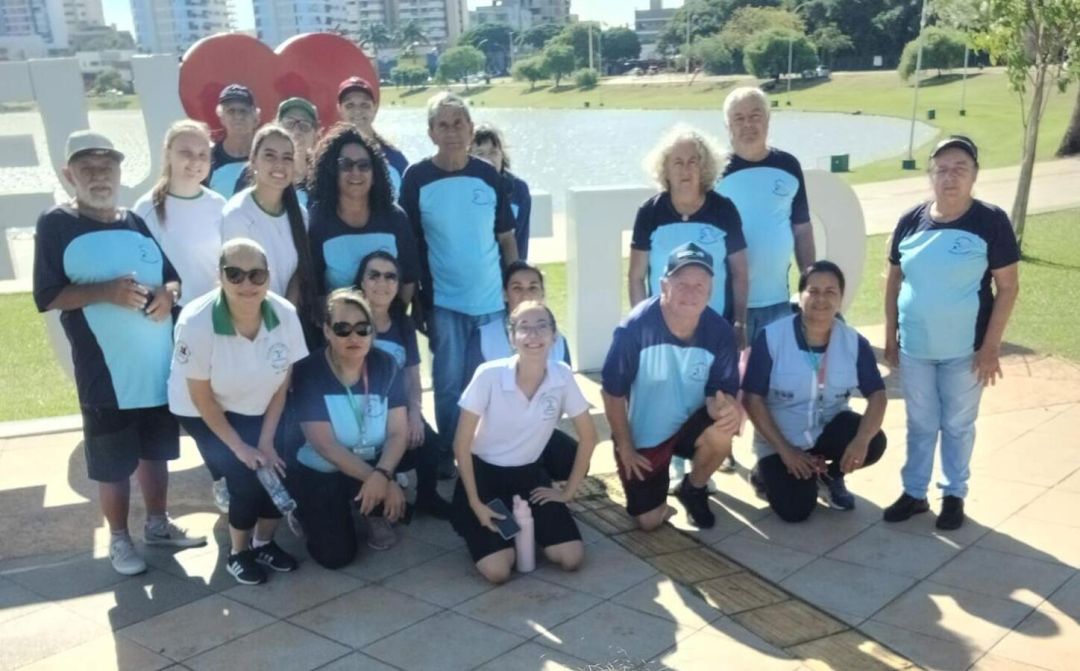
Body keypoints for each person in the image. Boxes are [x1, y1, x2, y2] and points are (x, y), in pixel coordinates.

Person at [33, 130, 205, 577]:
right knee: (113, 466)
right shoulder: (56, 223)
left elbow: (172, 279)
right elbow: (48, 295)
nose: (98, 176)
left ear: (118, 171)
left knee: (157, 455)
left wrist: (168, 295)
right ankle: (119, 539)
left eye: (106, 167)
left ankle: (157, 525)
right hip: (105, 377)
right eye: (87, 168)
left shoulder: (133, 220)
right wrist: (105, 292)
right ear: (69, 175)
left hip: (156, 369)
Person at [883, 135, 1020, 531]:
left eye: (960, 168)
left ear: (974, 175)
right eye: (942, 169)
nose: (950, 177)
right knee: (921, 422)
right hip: (916, 348)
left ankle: (953, 495)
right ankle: (914, 493)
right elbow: (893, 280)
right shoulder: (911, 220)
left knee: (958, 424)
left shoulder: (990, 221)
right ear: (931, 175)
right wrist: (891, 334)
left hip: (967, 350)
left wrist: (991, 347)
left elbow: (1008, 287)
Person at [169, 238, 308, 585]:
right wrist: (240, 448)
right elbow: (201, 397)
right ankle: (238, 553)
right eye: (235, 274)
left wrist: (266, 441)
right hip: (204, 407)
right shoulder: (196, 322)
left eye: (256, 275)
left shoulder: (286, 315)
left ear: (268, 276)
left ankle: (264, 543)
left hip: (260, 398)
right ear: (220, 277)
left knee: (278, 468)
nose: (247, 284)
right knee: (245, 478)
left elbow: (282, 383)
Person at [401, 92, 518, 470]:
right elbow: (412, 243)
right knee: (449, 385)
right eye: (443, 125)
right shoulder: (416, 178)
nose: (451, 132)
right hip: (444, 304)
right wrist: (417, 300)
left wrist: (515, 291)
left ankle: (488, 452)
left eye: (459, 123)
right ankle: (451, 458)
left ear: (470, 129)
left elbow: (506, 238)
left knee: (491, 382)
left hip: (491, 305)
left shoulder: (487, 175)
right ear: (431, 132)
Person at [452, 300, 598, 584]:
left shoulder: (562, 375)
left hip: (529, 476)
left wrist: (568, 492)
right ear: (511, 337)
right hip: (484, 478)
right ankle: (471, 520)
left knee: (571, 558)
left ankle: (524, 528)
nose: (533, 335)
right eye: (524, 328)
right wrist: (475, 502)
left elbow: (589, 437)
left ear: (554, 336)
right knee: (499, 570)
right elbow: (461, 445)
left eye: (542, 326)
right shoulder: (489, 375)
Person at [602, 242, 742, 530]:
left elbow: (721, 392)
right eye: (681, 284)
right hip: (645, 434)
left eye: (699, 285)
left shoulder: (720, 332)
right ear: (663, 285)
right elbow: (612, 393)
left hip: (691, 423)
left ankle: (693, 487)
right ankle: (656, 498)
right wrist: (626, 446)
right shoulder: (634, 328)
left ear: (710, 291)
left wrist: (726, 409)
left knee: (722, 433)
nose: (691, 293)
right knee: (647, 522)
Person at [743, 261, 888, 521]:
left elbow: (878, 396)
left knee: (875, 441)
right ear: (800, 297)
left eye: (830, 291)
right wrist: (786, 451)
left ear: (841, 298)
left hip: (826, 432)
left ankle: (830, 476)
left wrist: (861, 441)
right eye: (813, 291)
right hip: (781, 441)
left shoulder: (854, 342)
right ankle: (764, 474)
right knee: (796, 511)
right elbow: (752, 399)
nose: (821, 299)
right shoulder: (772, 338)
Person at [287, 289, 411, 566]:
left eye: (362, 329)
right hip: (323, 467)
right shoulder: (309, 371)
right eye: (342, 329)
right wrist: (382, 479)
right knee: (335, 556)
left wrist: (384, 472)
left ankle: (370, 510)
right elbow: (324, 444)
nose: (354, 337)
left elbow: (398, 432)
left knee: (414, 466)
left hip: (370, 461)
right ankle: (305, 510)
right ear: (327, 331)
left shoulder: (385, 365)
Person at [355, 251, 453, 518]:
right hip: (358, 413)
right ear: (361, 281)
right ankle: (378, 495)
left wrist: (414, 413)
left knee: (428, 442)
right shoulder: (349, 321)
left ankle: (427, 497)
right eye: (373, 275)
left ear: (398, 285)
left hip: (396, 409)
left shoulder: (403, 323)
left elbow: (412, 374)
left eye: (390, 276)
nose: (381, 282)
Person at [716, 86, 815, 345]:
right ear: (728, 126)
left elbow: (802, 230)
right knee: (733, 384)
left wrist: (810, 283)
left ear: (768, 120)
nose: (748, 124)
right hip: (728, 307)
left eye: (755, 115)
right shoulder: (713, 172)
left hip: (778, 304)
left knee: (775, 381)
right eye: (738, 118)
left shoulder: (788, 166)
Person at [630, 125, 748, 344]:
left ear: (704, 166)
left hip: (715, 328)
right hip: (661, 331)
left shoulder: (724, 210)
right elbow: (636, 277)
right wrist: (640, 325)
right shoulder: (649, 212)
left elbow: (740, 272)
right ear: (665, 168)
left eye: (693, 161)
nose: (686, 169)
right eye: (678, 162)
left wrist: (740, 322)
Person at [464, 260, 576, 481]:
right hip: (495, 436)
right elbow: (472, 405)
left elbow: (563, 397)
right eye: (517, 288)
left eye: (533, 287)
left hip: (537, 431)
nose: (526, 294)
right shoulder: (484, 337)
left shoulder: (558, 340)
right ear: (505, 294)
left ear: (542, 293)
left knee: (572, 461)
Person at [221, 124, 319, 335]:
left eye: (287, 157)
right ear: (254, 160)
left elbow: (297, 273)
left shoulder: (300, 214)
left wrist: (286, 315)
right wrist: (270, 324)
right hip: (247, 326)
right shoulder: (237, 214)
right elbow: (237, 283)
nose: (279, 165)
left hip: (285, 324)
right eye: (270, 156)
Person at [307, 124, 419, 302]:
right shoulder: (319, 221)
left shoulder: (395, 218)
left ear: (375, 174)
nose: (355, 172)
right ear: (332, 171)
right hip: (340, 326)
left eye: (364, 165)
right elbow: (316, 288)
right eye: (346, 165)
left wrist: (393, 321)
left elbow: (409, 279)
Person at [133, 120, 226, 307]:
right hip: (171, 317)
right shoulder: (145, 209)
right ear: (168, 154)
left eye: (202, 155)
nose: (195, 161)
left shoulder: (220, 204)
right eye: (186, 153)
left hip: (217, 313)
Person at [233, 97, 320, 208]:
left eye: (304, 126)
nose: (296, 131)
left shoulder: (322, 175)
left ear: (315, 134)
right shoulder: (251, 171)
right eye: (289, 123)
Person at [337, 76, 409, 198]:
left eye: (364, 105)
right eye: (350, 105)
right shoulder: (328, 157)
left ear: (374, 108)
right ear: (339, 109)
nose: (357, 111)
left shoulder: (396, 159)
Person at [471, 124, 532, 259]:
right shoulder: (463, 189)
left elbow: (521, 238)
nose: (488, 160)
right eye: (480, 154)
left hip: (505, 271)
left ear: (502, 155)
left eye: (493, 152)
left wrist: (518, 273)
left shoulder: (518, 189)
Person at [208, 84, 260, 198]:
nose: (238, 116)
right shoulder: (208, 158)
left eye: (243, 111)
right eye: (231, 111)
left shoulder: (264, 156)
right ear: (222, 118)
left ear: (256, 117)